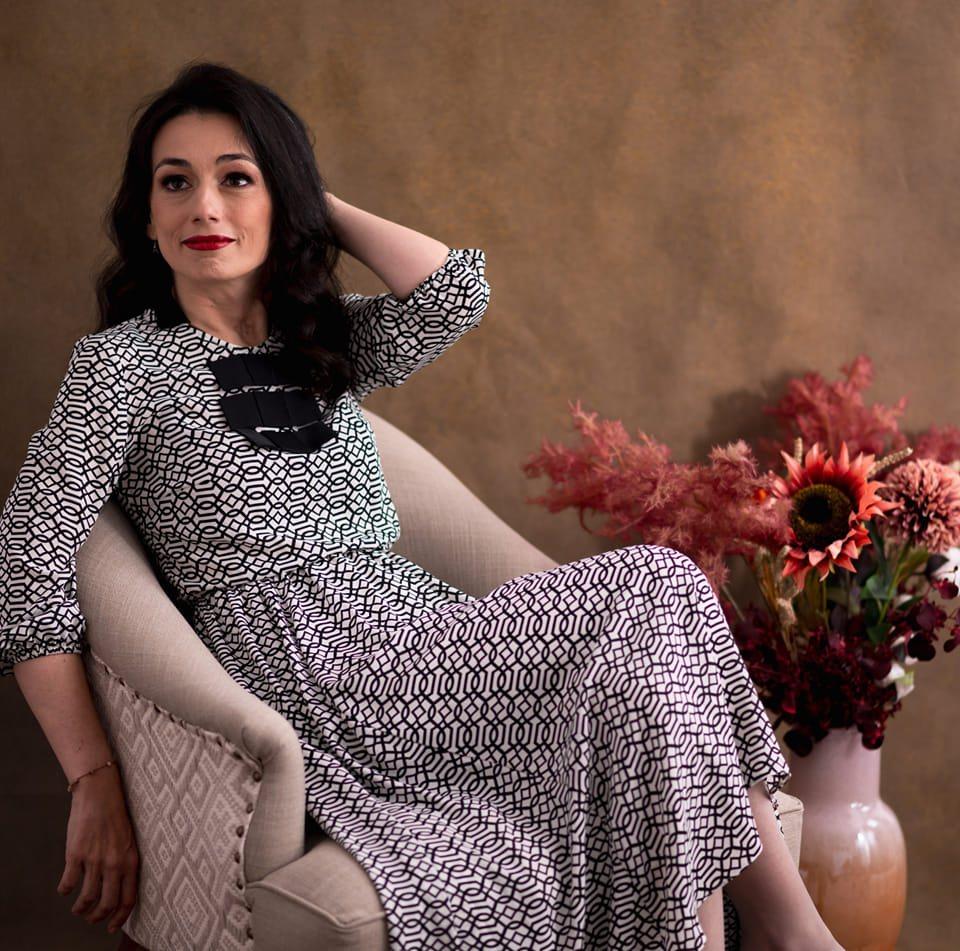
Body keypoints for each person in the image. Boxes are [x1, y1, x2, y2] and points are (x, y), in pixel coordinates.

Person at [0, 61, 843, 950]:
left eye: (237, 178)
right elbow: (28, 567)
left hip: (424, 634)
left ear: (282, 201)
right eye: (175, 183)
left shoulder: (318, 338)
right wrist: (91, 775)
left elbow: (453, 292)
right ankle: (794, 932)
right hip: (315, 667)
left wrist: (312, 201)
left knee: (657, 670)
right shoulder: (120, 366)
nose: (204, 207)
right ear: (146, 215)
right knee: (660, 583)